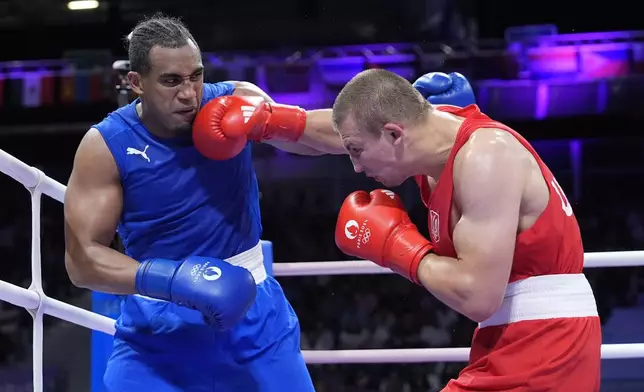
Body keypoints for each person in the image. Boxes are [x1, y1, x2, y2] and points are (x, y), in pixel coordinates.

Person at [63, 12, 474, 392]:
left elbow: (314, 134)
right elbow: (82, 260)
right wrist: (172, 279)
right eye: (172, 81)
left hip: (254, 319)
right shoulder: (106, 146)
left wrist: (415, 119)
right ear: (136, 82)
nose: (189, 94)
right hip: (155, 333)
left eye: (196, 76)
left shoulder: (231, 103)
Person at [331, 69, 601, 391]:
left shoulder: (486, 155)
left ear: (393, 135)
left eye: (356, 150)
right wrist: (280, 120)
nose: (356, 166)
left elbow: (478, 296)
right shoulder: (428, 135)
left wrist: (396, 244)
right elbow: (343, 124)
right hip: (507, 338)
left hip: (548, 344)